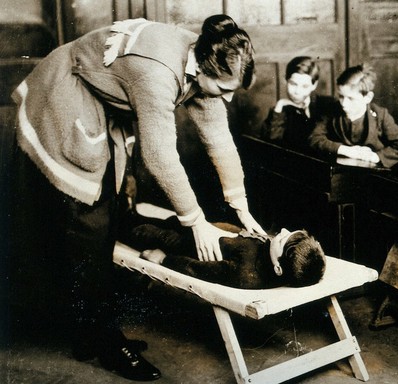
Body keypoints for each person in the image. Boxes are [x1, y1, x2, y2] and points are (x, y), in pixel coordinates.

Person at [10, 15, 265, 381]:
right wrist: (196, 222)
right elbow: (159, 158)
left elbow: (219, 138)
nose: (226, 98)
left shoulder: (207, 57)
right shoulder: (157, 72)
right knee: (89, 224)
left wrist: (240, 204)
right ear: (203, 68)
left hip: (98, 100)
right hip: (65, 96)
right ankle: (106, 340)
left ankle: (89, 335)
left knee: (107, 217)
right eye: (223, 89)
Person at [121, 214, 326, 289]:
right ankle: (131, 215)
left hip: (184, 243)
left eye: (281, 238)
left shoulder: (246, 273)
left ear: (278, 268)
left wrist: (165, 259)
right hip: (208, 229)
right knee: (166, 221)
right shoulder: (278, 259)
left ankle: (119, 219)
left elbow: (198, 269)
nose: (281, 231)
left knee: (143, 231)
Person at [308, 64, 398, 168]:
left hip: (373, 173)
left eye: (351, 98)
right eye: (341, 96)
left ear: (368, 97)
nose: (344, 103)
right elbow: (314, 138)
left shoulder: (380, 115)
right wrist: (347, 150)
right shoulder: (331, 110)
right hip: (339, 172)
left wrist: (376, 156)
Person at [260, 56, 336, 151]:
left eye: (304, 86)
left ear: (314, 85)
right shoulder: (281, 111)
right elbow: (271, 144)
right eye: (293, 84)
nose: (297, 91)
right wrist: (279, 106)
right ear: (285, 80)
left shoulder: (327, 104)